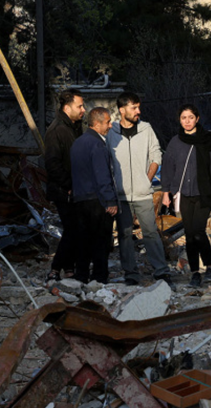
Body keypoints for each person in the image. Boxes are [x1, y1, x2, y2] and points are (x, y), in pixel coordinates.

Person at [107, 92, 171, 286]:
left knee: (150, 232)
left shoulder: (146, 128)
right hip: (121, 195)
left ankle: (161, 271)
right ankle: (131, 274)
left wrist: (147, 178)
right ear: (122, 110)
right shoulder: (111, 132)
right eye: (134, 108)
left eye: (138, 107)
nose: (138, 111)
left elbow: (156, 154)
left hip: (143, 193)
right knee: (125, 235)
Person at [160, 105, 211, 288]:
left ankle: (210, 267)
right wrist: (165, 192)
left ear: (197, 118)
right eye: (184, 118)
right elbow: (168, 167)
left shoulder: (208, 140)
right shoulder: (175, 142)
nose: (187, 121)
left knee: (198, 231)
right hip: (183, 194)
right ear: (179, 120)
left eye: (191, 117)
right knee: (190, 235)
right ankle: (195, 273)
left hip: (204, 192)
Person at [70, 107, 118, 284]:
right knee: (100, 240)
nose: (110, 125)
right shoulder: (97, 144)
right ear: (96, 124)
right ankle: (99, 277)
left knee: (83, 240)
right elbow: (102, 175)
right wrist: (110, 200)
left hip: (80, 199)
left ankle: (81, 275)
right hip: (96, 200)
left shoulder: (78, 143)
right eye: (107, 122)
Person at [44, 89, 85, 283]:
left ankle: (69, 268)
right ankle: (56, 268)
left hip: (73, 189)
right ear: (67, 108)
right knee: (72, 229)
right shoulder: (57, 130)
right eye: (79, 106)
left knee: (75, 229)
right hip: (64, 190)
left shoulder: (73, 127)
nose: (83, 110)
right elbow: (52, 163)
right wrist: (68, 185)